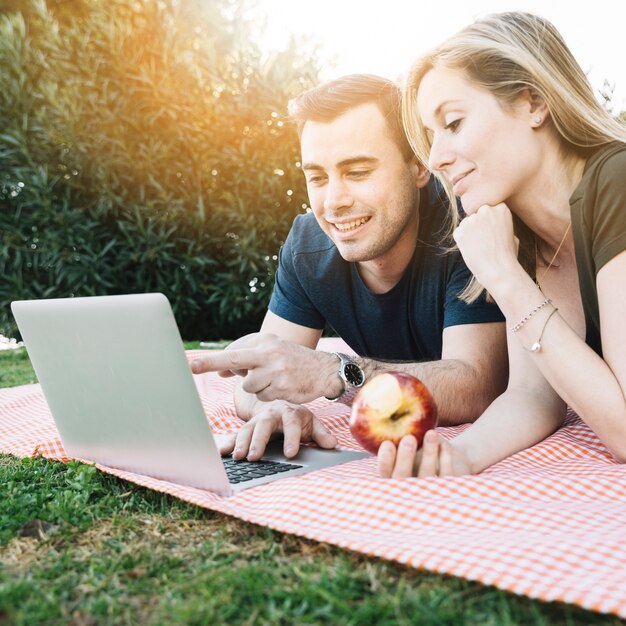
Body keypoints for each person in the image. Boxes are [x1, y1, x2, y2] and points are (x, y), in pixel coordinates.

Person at [192, 74, 507, 462]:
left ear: (419, 167)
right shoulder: (308, 247)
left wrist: (337, 372)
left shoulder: (464, 228)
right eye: (318, 178)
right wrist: (274, 408)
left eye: (357, 172)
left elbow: (477, 386)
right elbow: (259, 376)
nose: (334, 201)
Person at [382, 10, 626, 478]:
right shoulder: (528, 235)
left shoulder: (616, 183)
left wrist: (505, 278)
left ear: (533, 102)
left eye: (452, 122)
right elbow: (534, 396)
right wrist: (461, 456)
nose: (435, 159)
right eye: (431, 136)